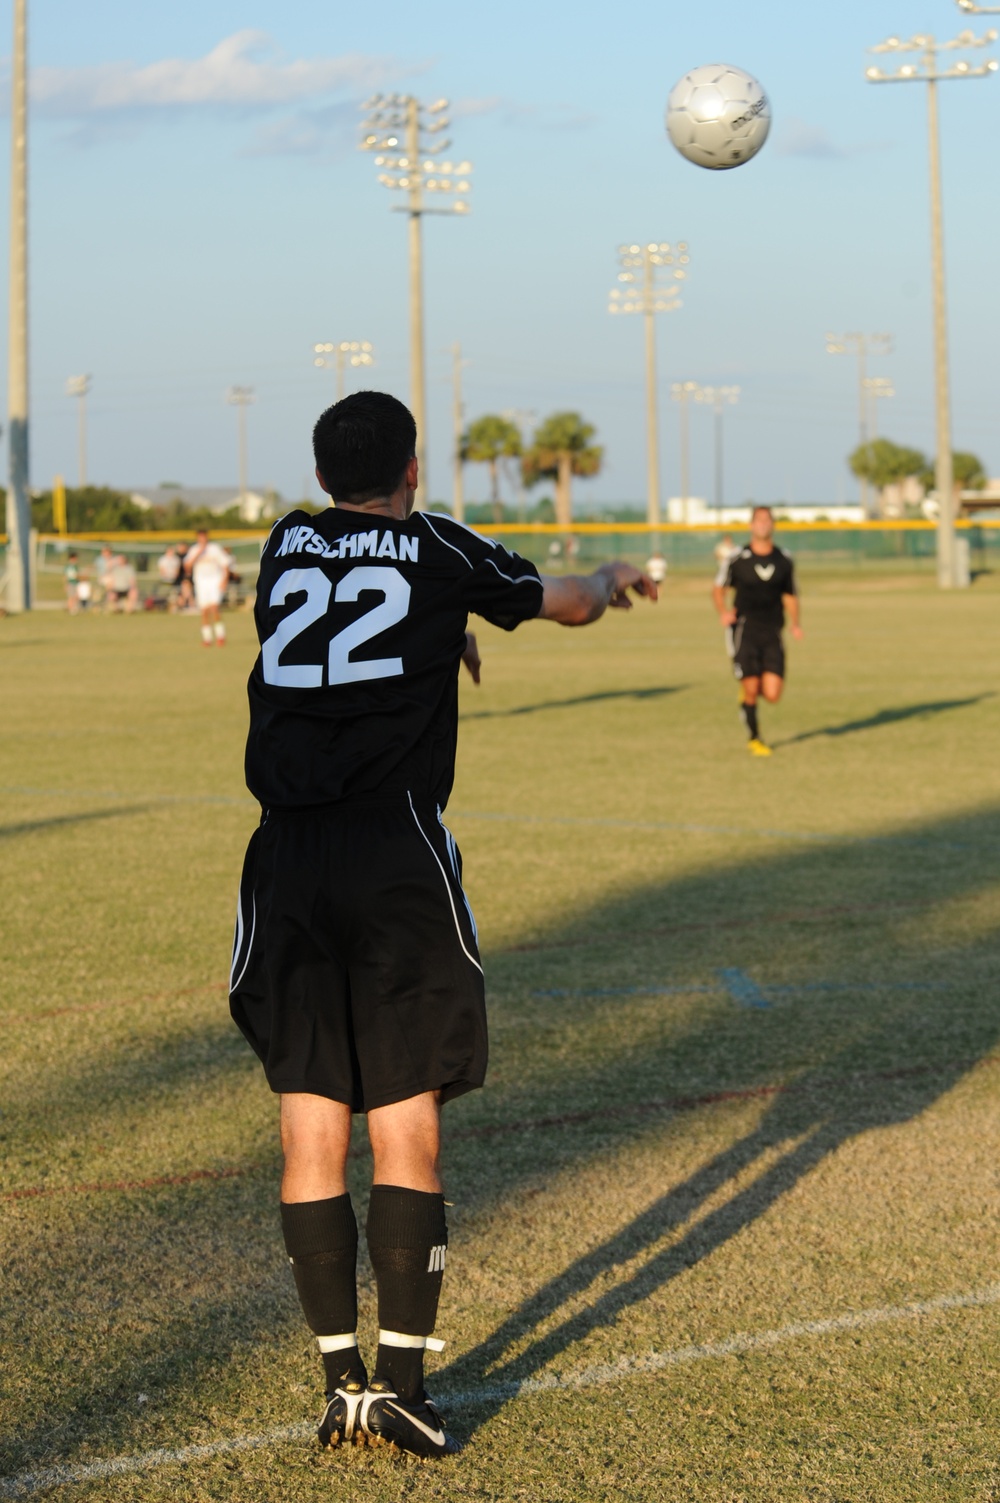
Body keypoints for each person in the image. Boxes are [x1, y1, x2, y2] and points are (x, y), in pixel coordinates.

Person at [229, 390, 657, 1459]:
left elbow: (333, 620)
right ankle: (407, 1383)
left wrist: (435, 637)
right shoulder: (436, 545)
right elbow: (557, 601)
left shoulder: (283, 544)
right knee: (405, 1112)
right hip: (392, 855)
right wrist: (603, 581)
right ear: (411, 468)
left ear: (322, 471)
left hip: (281, 855)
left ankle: (341, 1385)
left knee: (309, 1117)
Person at [711, 505, 802, 756]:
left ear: (773, 525)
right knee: (751, 687)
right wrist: (723, 612)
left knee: (772, 694)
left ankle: (749, 696)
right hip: (744, 630)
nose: (763, 524)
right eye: (758, 520)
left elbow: (791, 594)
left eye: (767, 520)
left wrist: (796, 624)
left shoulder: (784, 559)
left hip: (773, 630)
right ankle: (755, 737)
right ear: (751, 525)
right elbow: (719, 588)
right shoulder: (737, 558)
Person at [185, 529, 230, 645]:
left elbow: (225, 564)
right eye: (200, 538)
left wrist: (224, 580)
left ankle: (220, 636)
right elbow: (187, 565)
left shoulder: (214, 548)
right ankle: (207, 638)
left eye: (204, 537)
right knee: (204, 610)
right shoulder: (194, 549)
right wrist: (199, 552)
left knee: (214, 608)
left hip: (215, 581)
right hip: (201, 582)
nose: (202, 539)